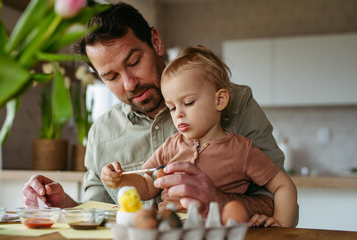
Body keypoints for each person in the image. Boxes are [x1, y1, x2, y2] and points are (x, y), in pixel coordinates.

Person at [23, 2, 295, 227]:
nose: (129, 83)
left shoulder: (235, 102)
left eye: (134, 62)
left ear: (155, 41)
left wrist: (216, 198)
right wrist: (62, 205)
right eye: (112, 76)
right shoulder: (102, 132)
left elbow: (277, 198)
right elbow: (103, 217)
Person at [100, 45, 297, 227]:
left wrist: (279, 225)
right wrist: (119, 180)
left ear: (219, 100)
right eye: (172, 107)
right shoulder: (172, 146)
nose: (178, 114)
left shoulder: (242, 150)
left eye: (188, 102)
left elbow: (283, 185)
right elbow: (145, 185)